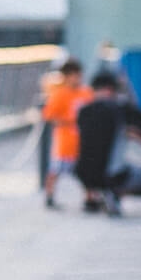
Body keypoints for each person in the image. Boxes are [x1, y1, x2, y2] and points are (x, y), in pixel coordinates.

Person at [75, 70, 141, 216]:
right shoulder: (118, 108)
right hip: (113, 174)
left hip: (83, 172)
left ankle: (92, 197)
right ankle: (113, 194)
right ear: (111, 89)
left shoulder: (83, 111)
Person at [41, 59, 91, 208]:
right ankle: (49, 196)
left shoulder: (86, 92)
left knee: (85, 171)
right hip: (65, 142)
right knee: (55, 171)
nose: (78, 78)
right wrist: (70, 122)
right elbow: (49, 116)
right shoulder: (59, 94)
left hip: (82, 142)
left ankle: (89, 198)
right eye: (74, 75)